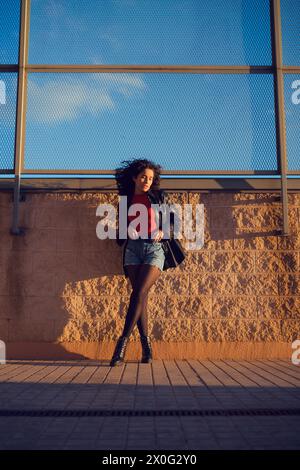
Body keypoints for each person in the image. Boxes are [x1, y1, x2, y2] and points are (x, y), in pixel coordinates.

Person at [110, 158, 168, 366]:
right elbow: (119, 236)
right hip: (133, 250)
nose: (147, 181)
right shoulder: (126, 199)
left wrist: (163, 231)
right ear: (135, 177)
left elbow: (172, 223)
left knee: (139, 293)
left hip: (154, 249)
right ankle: (147, 348)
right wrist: (125, 229)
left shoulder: (158, 197)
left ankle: (121, 344)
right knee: (140, 297)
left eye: (151, 178)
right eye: (143, 176)